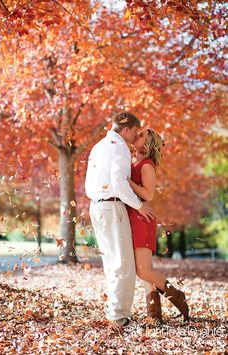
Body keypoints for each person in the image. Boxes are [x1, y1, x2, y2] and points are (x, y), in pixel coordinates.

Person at [85, 112, 154, 326]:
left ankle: (115, 313)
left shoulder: (99, 146)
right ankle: (118, 317)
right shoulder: (120, 147)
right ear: (125, 129)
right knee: (123, 265)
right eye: (135, 131)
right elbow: (119, 183)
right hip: (112, 206)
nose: (135, 136)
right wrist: (139, 205)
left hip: (97, 206)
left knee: (112, 262)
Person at [127, 128, 189, 324]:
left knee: (143, 270)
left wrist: (128, 183)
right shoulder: (133, 161)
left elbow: (149, 194)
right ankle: (154, 315)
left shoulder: (147, 165)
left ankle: (177, 296)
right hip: (134, 215)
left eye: (142, 135)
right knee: (145, 269)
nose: (137, 134)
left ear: (148, 144)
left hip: (142, 218)